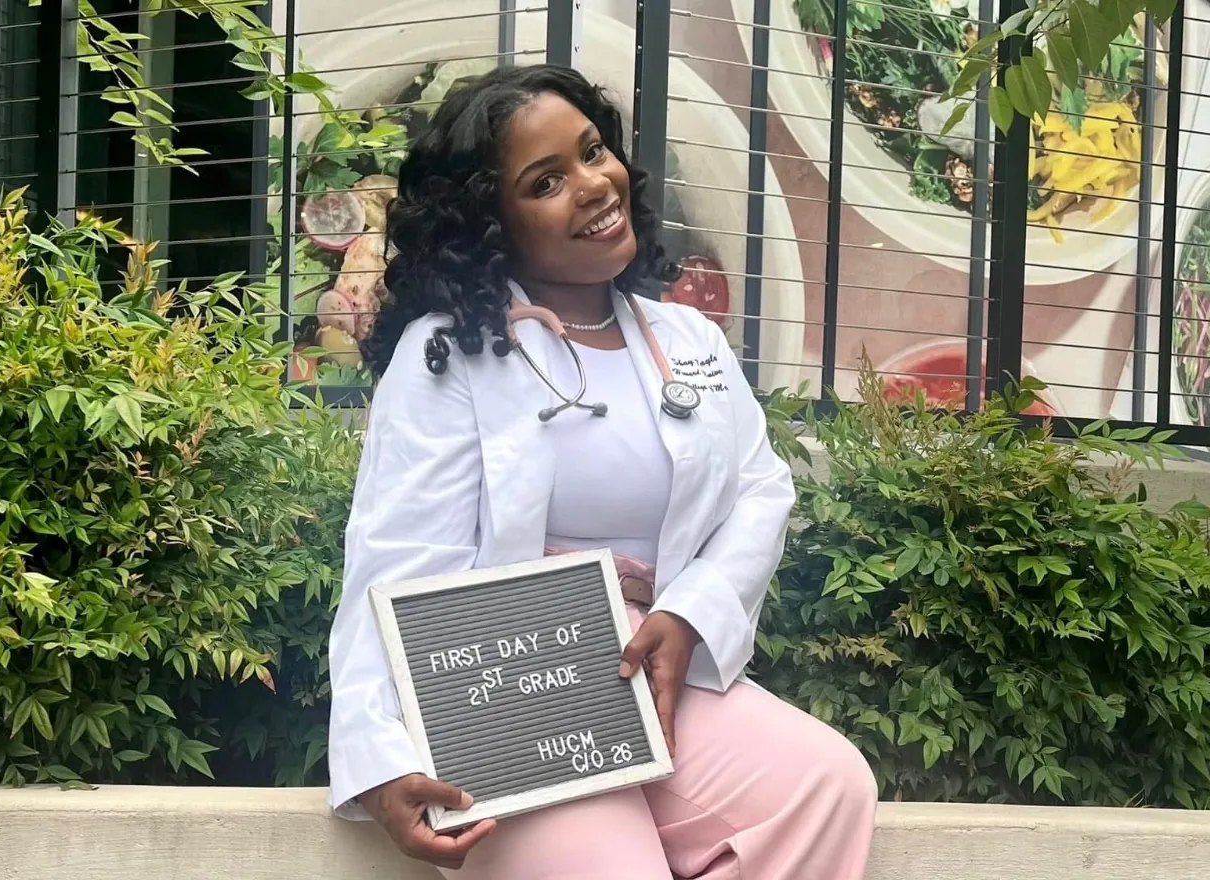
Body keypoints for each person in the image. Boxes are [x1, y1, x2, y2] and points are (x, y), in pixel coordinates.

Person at [327, 62, 878, 879]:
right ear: (493, 223)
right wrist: (381, 757)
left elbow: (759, 488)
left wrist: (689, 612)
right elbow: (394, 559)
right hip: (512, 694)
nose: (592, 185)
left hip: (646, 673)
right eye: (546, 181)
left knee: (824, 788)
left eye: (592, 152)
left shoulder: (688, 340)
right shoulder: (450, 352)